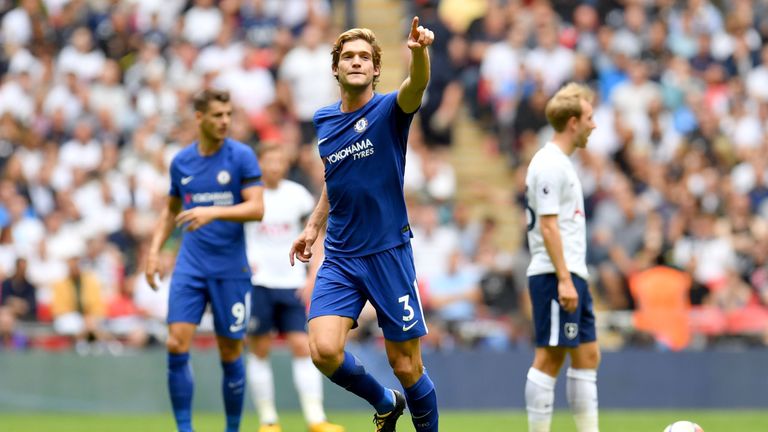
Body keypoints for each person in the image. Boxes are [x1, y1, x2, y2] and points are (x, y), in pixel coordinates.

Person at [290, 17, 439, 432]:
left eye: (364, 57)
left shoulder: (390, 110)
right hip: (339, 256)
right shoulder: (323, 121)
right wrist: (314, 226)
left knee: (407, 365)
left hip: (388, 252)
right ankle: (384, 402)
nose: (356, 62)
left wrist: (419, 53)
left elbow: (416, 87)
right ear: (336, 68)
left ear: (376, 69)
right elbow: (335, 176)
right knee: (322, 350)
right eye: (348, 56)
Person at [145, 89, 265, 432]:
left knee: (230, 351)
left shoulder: (242, 157)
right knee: (175, 341)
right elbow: (171, 211)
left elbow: (257, 208)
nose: (225, 121)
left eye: (228, 114)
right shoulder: (181, 162)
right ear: (199, 118)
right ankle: (185, 428)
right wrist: (154, 252)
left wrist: (212, 212)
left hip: (230, 269)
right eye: (217, 115)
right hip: (191, 266)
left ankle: (232, 428)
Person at [244, 145, 344, 432]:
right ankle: (268, 420)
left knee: (302, 347)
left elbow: (318, 233)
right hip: (258, 282)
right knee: (259, 348)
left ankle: (316, 418)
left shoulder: (297, 195)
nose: (275, 165)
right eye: (269, 159)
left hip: (292, 283)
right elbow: (234, 235)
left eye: (279, 159)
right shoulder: (249, 195)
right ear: (259, 162)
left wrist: (312, 275)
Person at [523, 82, 600, 432]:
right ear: (572, 122)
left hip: (571, 272)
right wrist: (565, 278)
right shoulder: (550, 163)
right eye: (589, 117)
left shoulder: (561, 162)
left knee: (587, 355)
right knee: (550, 356)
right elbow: (549, 227)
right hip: (555, 274)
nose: (593, 124)